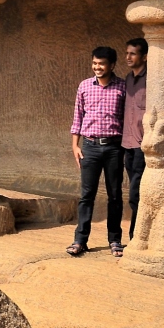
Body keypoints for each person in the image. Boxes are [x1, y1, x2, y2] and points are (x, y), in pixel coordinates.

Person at [68, 46, 126, 258]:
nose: (97, 67)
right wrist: (75, 145)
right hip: (90, 147)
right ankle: (80, 240)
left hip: (114, 147)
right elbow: (78, 117)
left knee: (115, 195)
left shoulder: (122, 87)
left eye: (101, 64)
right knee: (86, 195)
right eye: (95, 63)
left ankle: (115, 240)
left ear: (111, 65)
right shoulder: (84, 86)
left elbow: (127, 119)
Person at [122, 38, 149, 240]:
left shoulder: (151, 80)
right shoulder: (128, 80)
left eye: (133, 53)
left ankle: (136, 237)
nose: (128, 57)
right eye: (127, 53)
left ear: (144, 57)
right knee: (134, 190)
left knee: (136, 194)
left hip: (142, 145)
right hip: (127, 144)